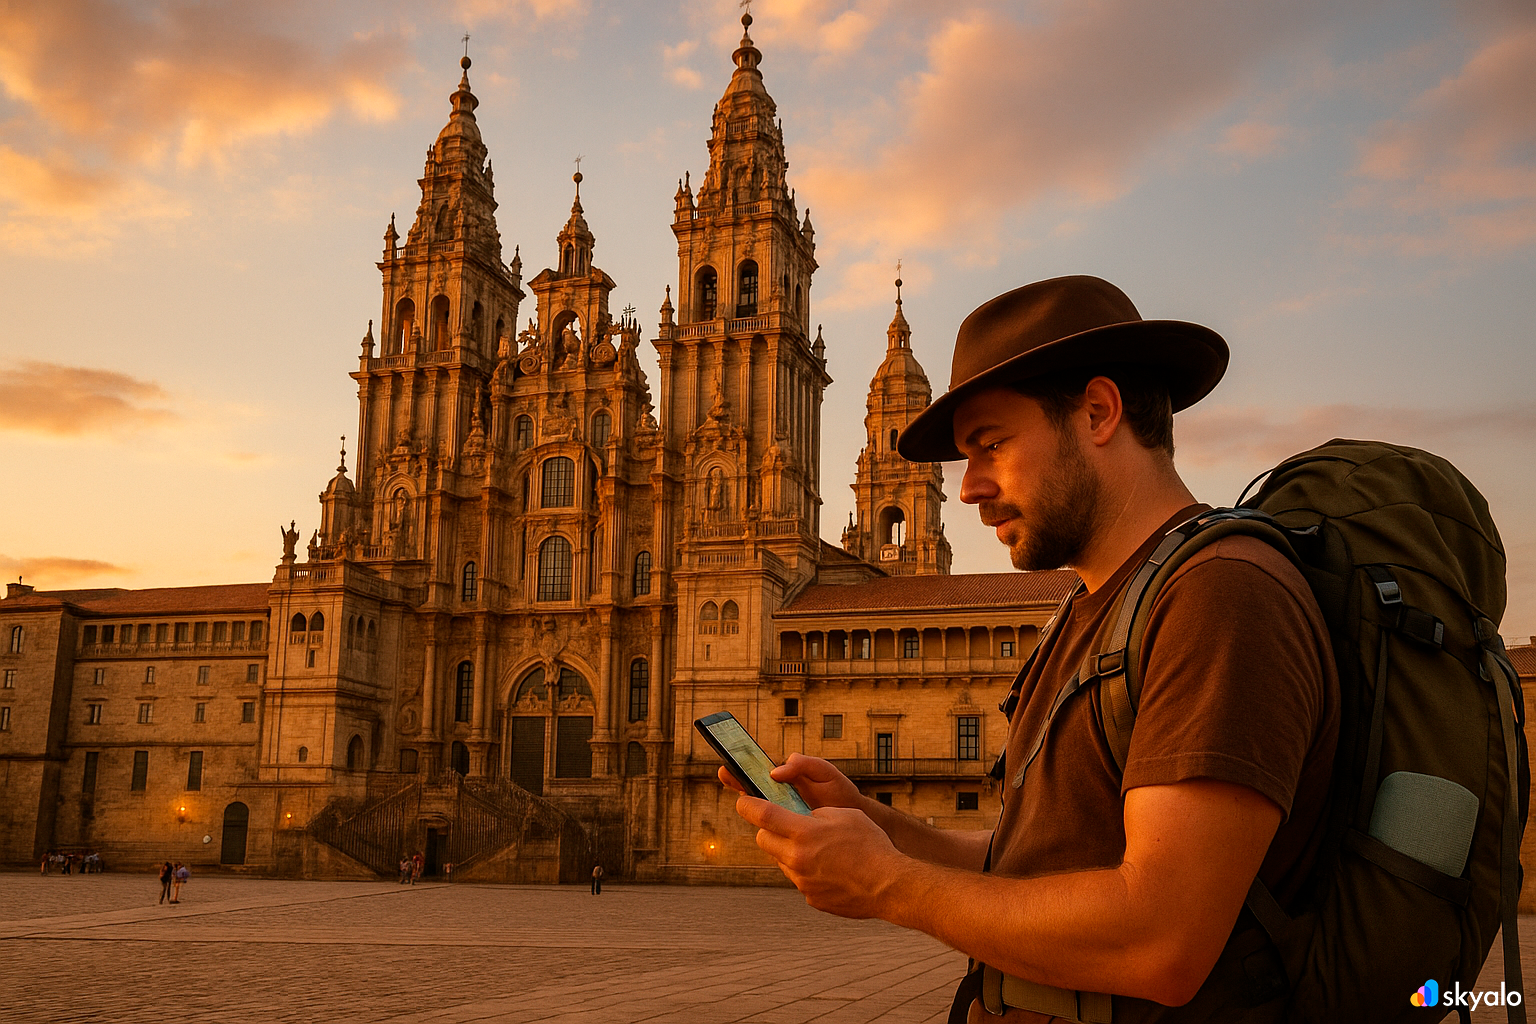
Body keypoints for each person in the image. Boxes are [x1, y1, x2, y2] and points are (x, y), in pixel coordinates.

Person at [722, 276, 1338, 1021]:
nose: (969, 487)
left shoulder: (1221, 596)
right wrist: (879, 825)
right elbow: (1036, 864)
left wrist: (888, 885)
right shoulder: (1088, 612)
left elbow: (1161, 939)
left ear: (1099, 413)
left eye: (991, 445)